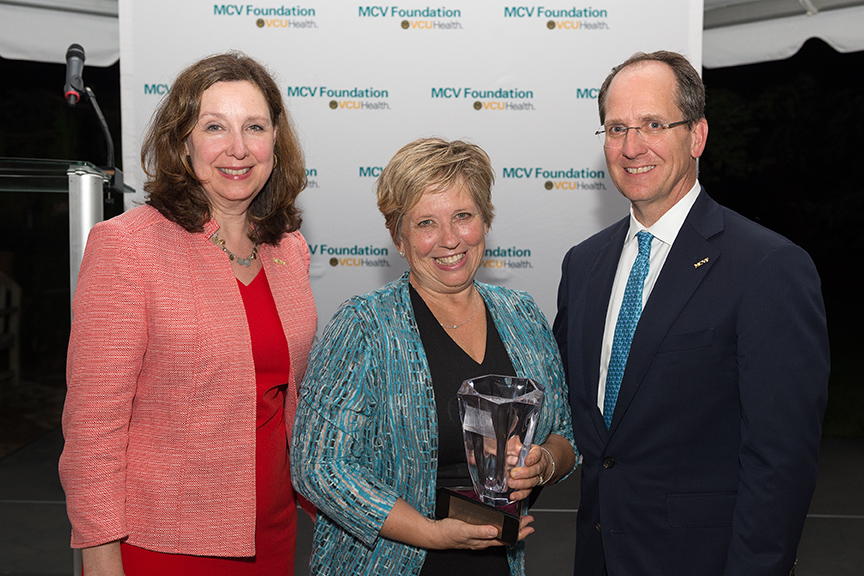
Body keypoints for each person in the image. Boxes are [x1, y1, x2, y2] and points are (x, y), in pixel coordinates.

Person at [553, 50, 830, 576]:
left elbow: (781, 461)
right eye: (616, 128)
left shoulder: (768, 267)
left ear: (697, 136)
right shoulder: (583, 265)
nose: (632, 146)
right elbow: (583, 425)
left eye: (653, 124)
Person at [59, 52, 317, 575]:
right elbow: (92, 426)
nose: (239, 148)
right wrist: (100, 557)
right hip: (165, 542)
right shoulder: (128, 247)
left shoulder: (289, 250)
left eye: (255, 127)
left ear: (275, 140)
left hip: (275, 531)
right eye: (215, 127)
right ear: (183, 141)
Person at [291, 137, 577, 575]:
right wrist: (430, 532)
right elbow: (317, 465)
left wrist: (543, 466)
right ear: (399, 238)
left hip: (498, 563)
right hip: (387, 563)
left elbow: (565, 438)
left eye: (463, 216)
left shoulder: (522, 314)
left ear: (485, 221)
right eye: (426, 222)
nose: (448, 239)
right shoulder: (365, 326)